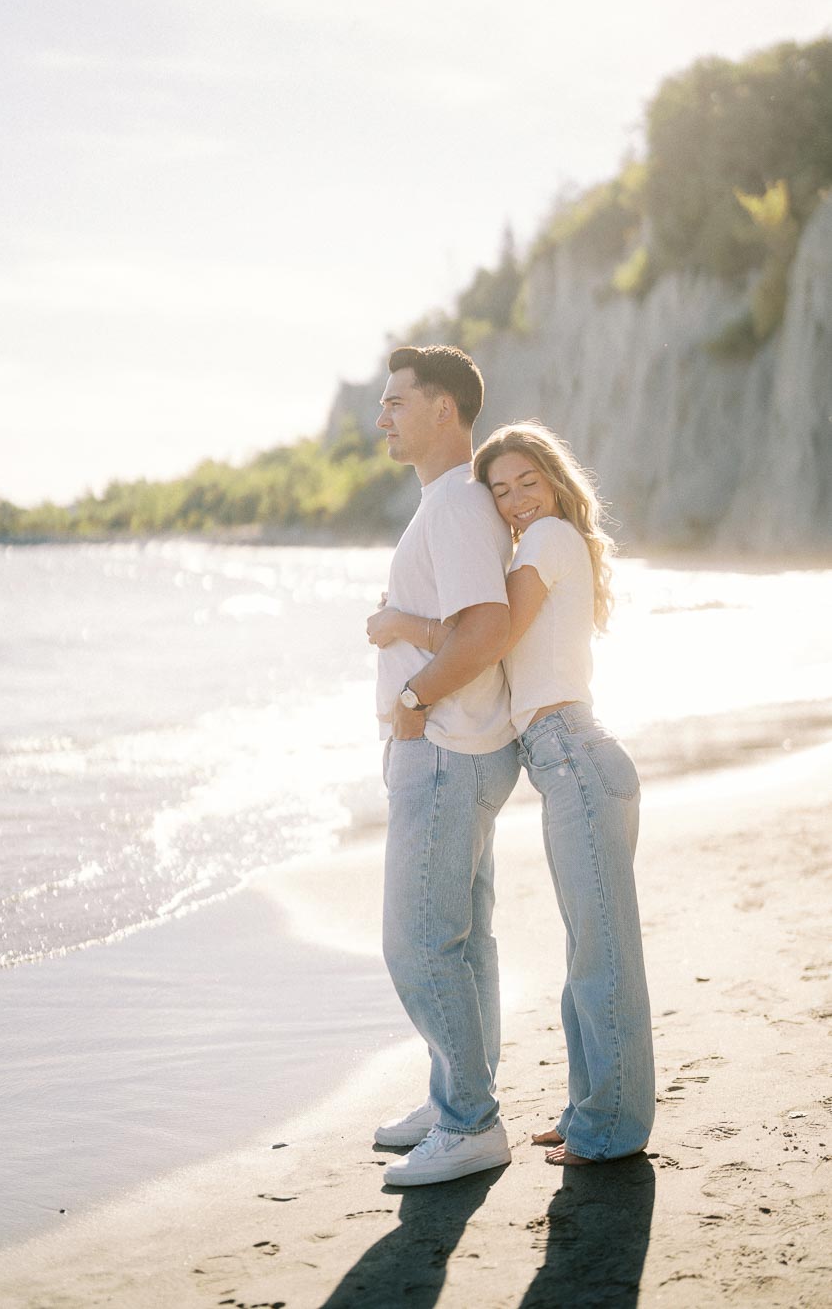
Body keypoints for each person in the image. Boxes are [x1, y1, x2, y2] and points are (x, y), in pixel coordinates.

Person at [369, 420, 655, 1165]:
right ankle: (590, 1109)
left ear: (556, 482)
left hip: (575, 758)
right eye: (500, 490)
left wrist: (399, 622)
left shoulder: (550, 540)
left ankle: (612, 1128)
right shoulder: (543, 545)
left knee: (603, 959)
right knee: (585, 954)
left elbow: (486, 634)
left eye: (528, 481)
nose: (517, 499)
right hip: (564, 760)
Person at [366, 345, 521, 1187]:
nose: (383, 416)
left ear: (445, 412)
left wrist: (415, 704)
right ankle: (454, 1095)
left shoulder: (458, 504)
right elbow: (461, 622)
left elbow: (487, 628)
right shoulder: (447, 503)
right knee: (463, 943)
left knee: (418, 945)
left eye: (397, 402)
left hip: (446, 751)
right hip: (457, 750)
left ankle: (471, 1121)